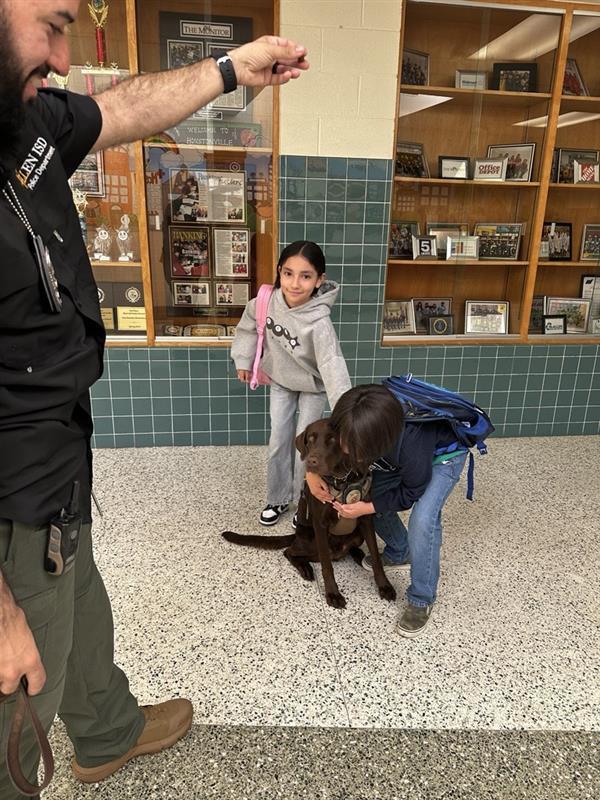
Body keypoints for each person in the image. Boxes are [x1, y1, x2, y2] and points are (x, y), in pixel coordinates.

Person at [0, 0, 309, 794]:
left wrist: (232, 69)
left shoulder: (22, 115)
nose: (65, 58)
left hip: (56, 459)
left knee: (82, 600)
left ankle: (108, 731)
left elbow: (122, 108)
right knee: (18, 697)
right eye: (53, 24)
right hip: (9, 508)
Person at [305, 384, 468, 638]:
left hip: (442, 458)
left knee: (423, 521)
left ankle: (421, 599)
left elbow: (410, 492)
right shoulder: (358, 410)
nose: (343, 445)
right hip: (394, 455)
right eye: (343, 437)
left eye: (350, 442)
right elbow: (326, 438)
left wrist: (367, 507)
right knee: (373, 494)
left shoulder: (411, 442)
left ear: (373, 440)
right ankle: (399, 550)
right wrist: (311, 474)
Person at [231, 241, 351, 527]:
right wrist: (243, 360)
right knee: (278, 441)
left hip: (313, 386)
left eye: (306, 276)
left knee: (308, 449)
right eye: (288, 273)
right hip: (282, 380)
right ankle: (277, 497)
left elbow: (333, 366)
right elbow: (248, 327)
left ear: (319, 280)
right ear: (279, 273)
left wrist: (347, 415)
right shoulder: (265, 302)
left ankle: (304, 501)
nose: (295, 283)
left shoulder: (320, 323)